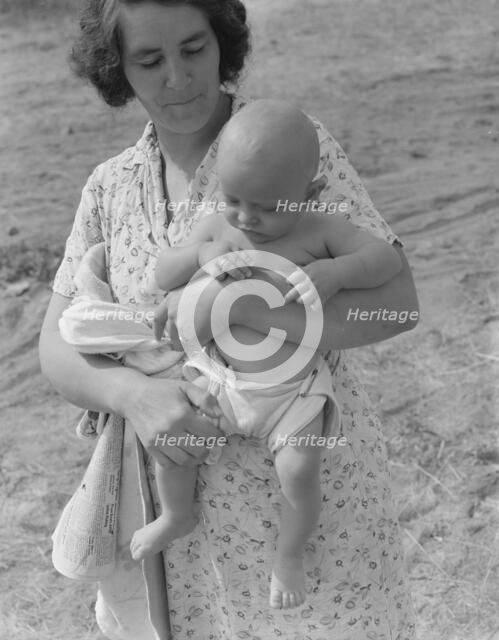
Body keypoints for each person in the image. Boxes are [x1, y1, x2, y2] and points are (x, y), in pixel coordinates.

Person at [38, 0, 419, 638]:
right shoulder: (108, 188)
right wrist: (134, 396)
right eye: (149, 60)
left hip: (313, 525)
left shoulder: (291, 145)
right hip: (185, 545)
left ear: (223, 43)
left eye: (193, 49)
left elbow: (397, 302)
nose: (178, 77)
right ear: (117, 69)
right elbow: (54, 347)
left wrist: (236, 307)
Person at [131, 99, 404, 613]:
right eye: (234, 199)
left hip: (292, 393)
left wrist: (338, 273)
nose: (247, 218)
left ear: (311, 194)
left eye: (269, 207)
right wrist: (199, 254)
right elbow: (162, 274)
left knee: (301, 470)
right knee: (175, 439)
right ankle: (176, 514)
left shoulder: (321, 228)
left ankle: (290, 554)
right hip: (221, 380)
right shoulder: (218, 224)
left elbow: (385, 258)